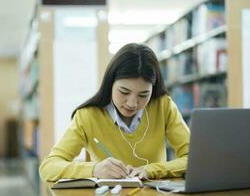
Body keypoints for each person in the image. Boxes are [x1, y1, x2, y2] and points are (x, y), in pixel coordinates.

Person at [39, 43, 190, 181]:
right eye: (124, 92)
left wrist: (151, 170)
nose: (132, 103)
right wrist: (94, 169)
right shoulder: (87, 116)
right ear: (110, 83)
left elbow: (194, 158)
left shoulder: (163, 106)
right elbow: (48, 167)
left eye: (143, 95)